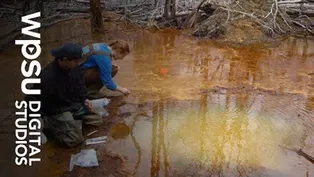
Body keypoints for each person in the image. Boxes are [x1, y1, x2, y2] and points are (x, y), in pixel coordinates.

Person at [25, 43, 103, 148]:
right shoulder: (47, 77)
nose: (78, 63)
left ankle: (70, 122)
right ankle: (49, 125)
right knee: (75, 140)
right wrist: (34, 119)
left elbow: (80, 85)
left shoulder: (75, 68)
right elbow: (31, 98)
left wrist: (85, 99)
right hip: (57, 109)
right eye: (75, 61)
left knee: (97, 119)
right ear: (65, 60)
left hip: (72, 103)